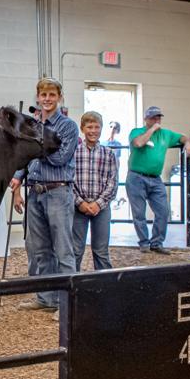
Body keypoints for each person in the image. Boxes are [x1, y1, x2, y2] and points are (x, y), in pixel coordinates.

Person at [11, 78, 79, 315]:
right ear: (37, 97)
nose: (47, 99)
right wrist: (18, 176)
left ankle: (70, 303)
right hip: (35, 191)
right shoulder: (34, 123)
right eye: (43, 95)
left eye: (52, 94)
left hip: (58, 191)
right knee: (39, 249)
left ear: (59, 97)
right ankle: (46, 299)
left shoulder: (68, 126)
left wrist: (37, 147)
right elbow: (25, 156)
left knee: (63, 249)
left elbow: (61, 158)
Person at [126, 106, 190, 254]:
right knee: (139, 213)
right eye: (153, 118)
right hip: (136, 177)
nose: (157, 120)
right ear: (146, 119)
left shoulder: (166, 134)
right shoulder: (137, 132)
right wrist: (151, 130)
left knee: (163, 211)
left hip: (155, 178)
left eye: (158, 117)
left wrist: (187, 144)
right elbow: (138, 143)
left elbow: (183, 137)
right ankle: (144, 243)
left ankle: (157, 242)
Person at [72, 111, 118, 271]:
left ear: (102, 128)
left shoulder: (109, 154)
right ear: (82, 128)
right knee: (76, 250)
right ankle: (72, 285)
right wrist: (80, 203)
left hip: (102, 208)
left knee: (101, 250)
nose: (93, 131)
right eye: (89, 127)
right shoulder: (74, 153)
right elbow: (68, 181)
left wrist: (98, 204)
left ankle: (104, 285)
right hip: (78, 208)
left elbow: (113, 183)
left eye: (97, 127)